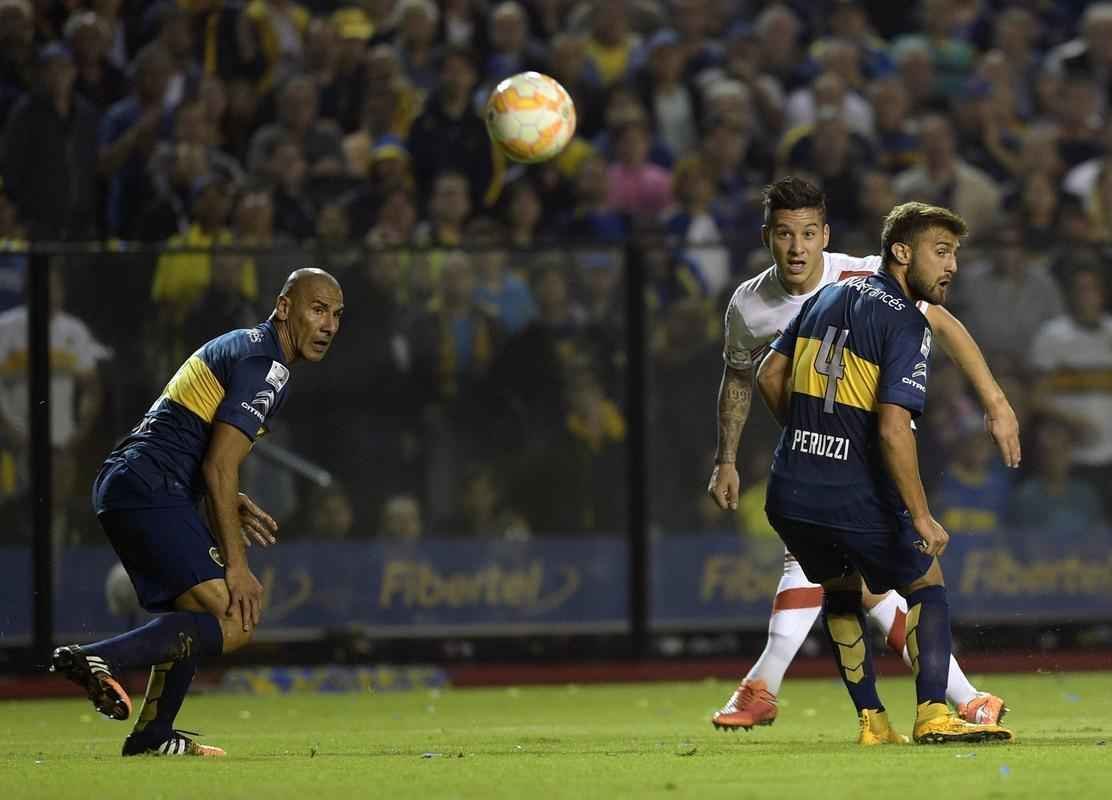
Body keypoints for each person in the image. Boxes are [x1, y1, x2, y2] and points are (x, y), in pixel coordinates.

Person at [708, 177, 1018, 732]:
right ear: (767, 238)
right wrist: (728, 458)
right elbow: (740, 378)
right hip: (841, 465)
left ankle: (830, 703)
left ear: (825, 236)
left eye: (808, 234)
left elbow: (769, 372)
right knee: (916, 579)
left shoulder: (847, 277)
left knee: (852, 586)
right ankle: (941, 708)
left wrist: (995, 400)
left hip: (802, 471)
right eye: (785, 235)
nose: (798, 247)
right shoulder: (750, 304)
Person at [49, 269, 344, 758]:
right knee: (235, 616)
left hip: (133, 483)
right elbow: (219, 463)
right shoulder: (266, 363)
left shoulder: (249, 349)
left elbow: (201, 450)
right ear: (285, 306)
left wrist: (223, 495)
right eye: (318, 309)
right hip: (150, 486)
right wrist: (239, 566)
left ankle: (152, 735)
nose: (329, 324)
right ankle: (98, 659)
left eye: (336, 314)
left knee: (195, 615)